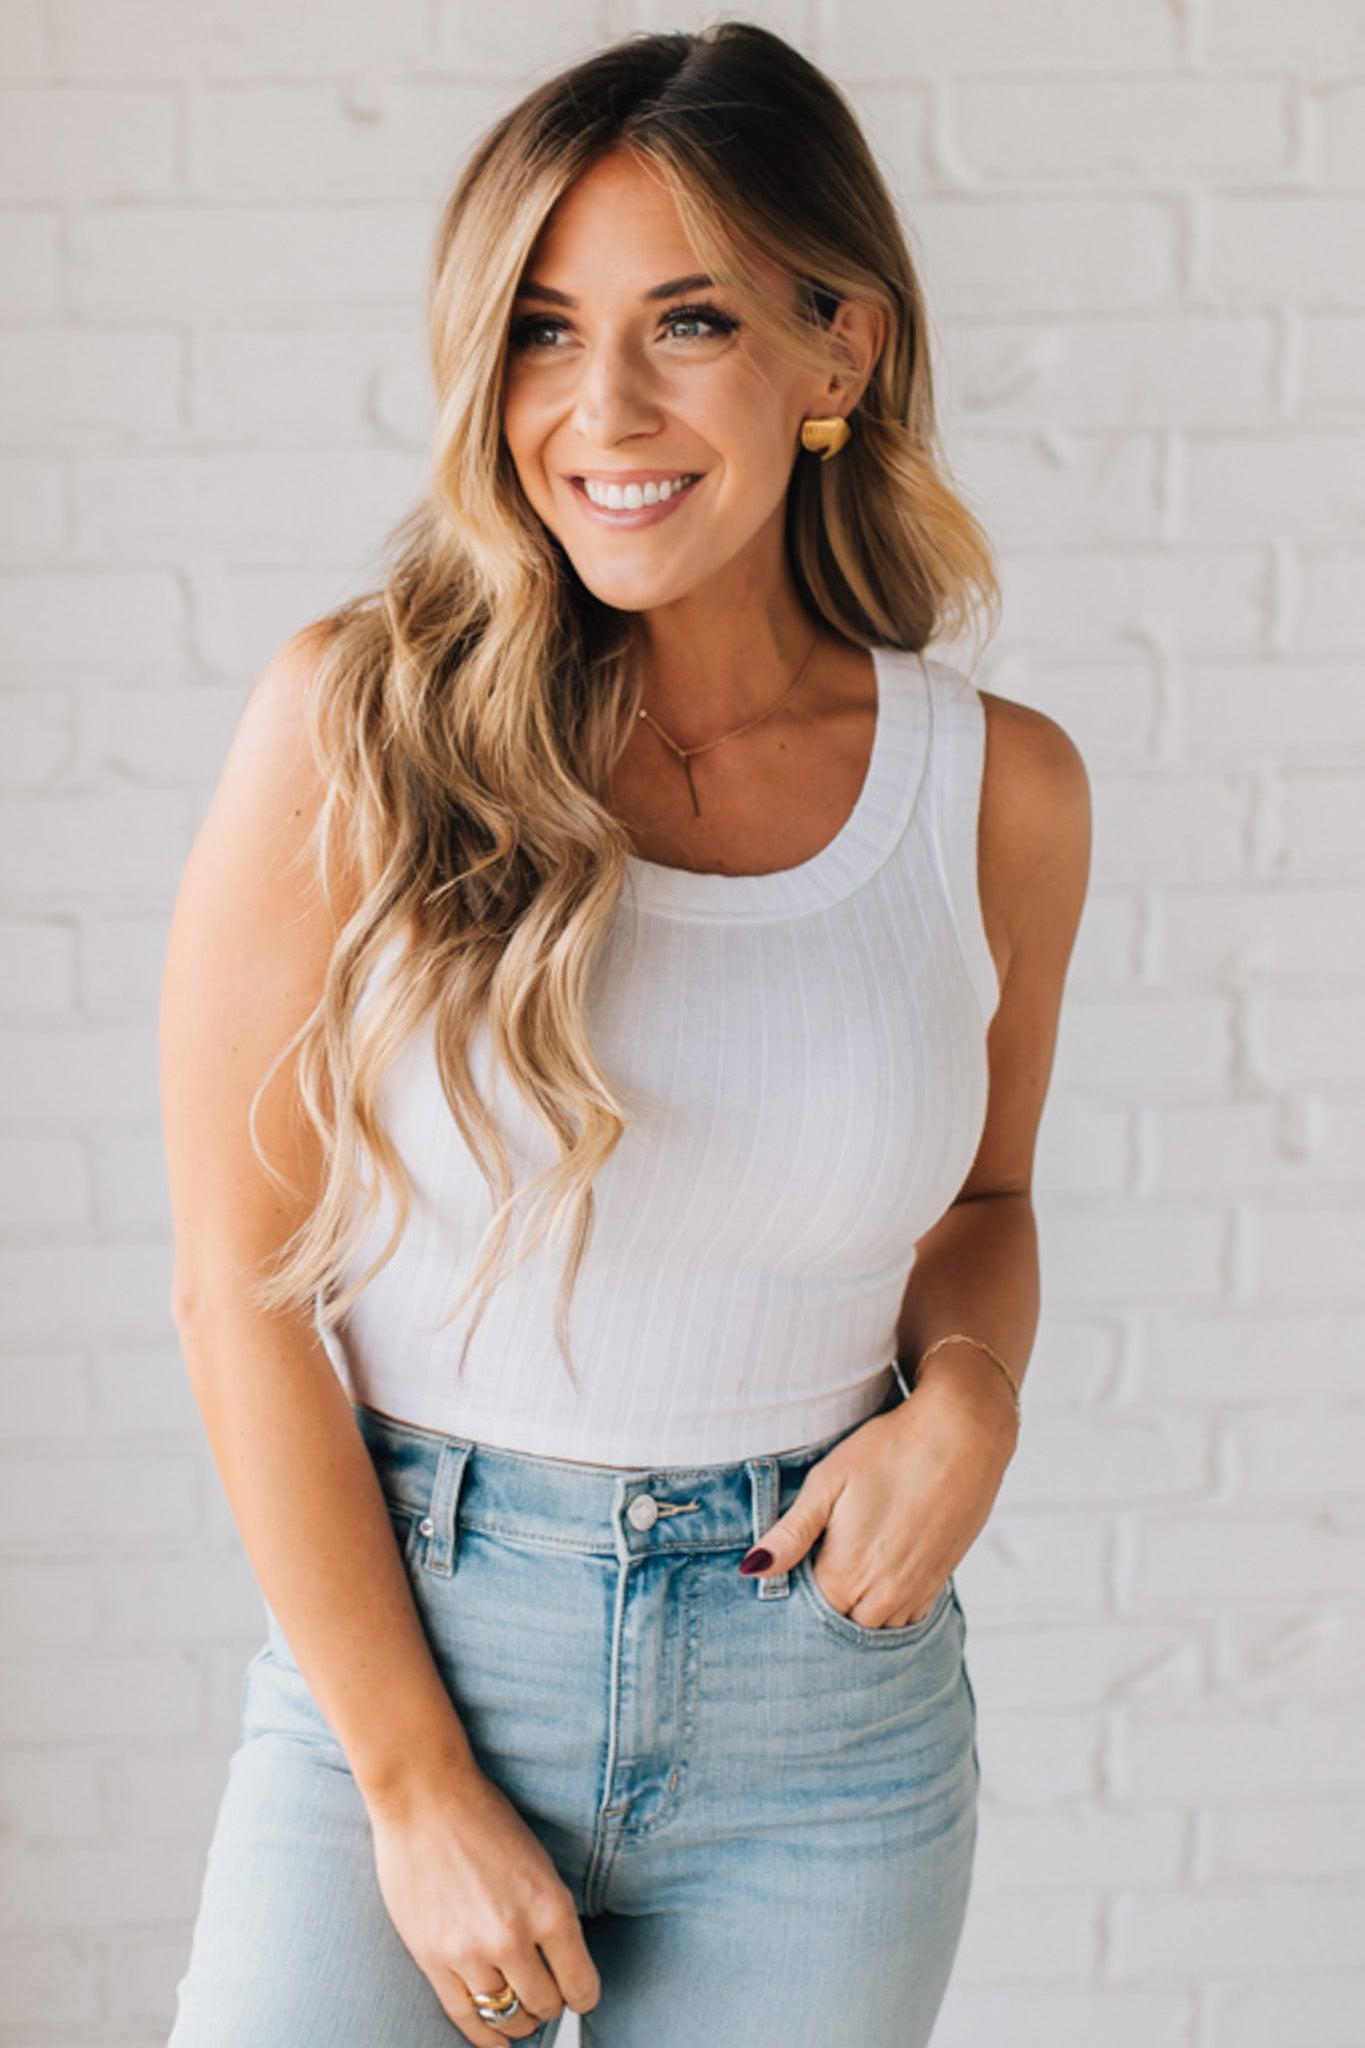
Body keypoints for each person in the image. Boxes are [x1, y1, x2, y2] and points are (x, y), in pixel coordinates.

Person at [159, 20, 1090, 2047]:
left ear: (833, 350)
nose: (598, 409)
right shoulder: (357, 724)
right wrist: (409, 1787)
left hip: (821, 1724)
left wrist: (969, 1398)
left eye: (683, 321)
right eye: (538, 331)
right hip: (406, 1658)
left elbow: (989, 1198)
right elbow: (240, 1286)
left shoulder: (991, 790)